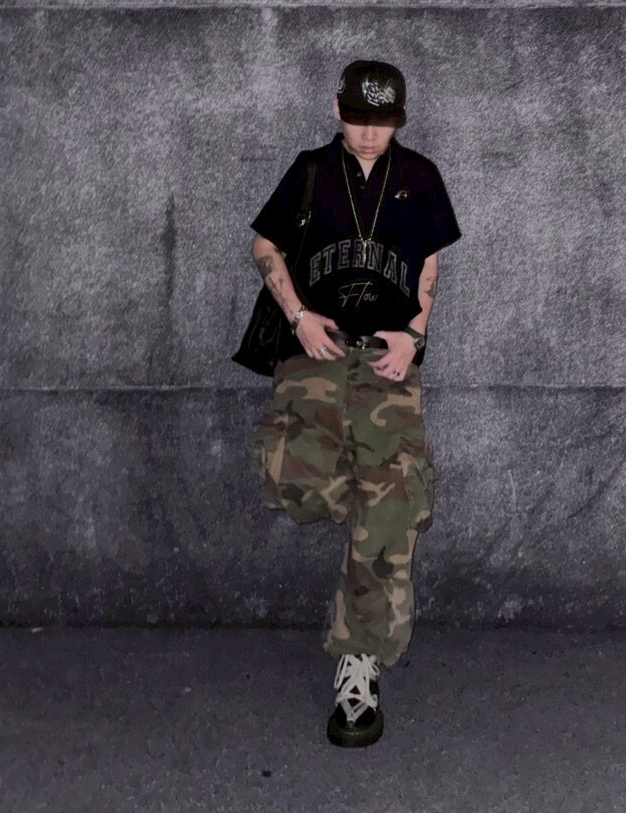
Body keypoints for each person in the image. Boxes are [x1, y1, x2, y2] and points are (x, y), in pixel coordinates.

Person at [246, 58, 462, 748]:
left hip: (386, 359)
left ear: (400, 120)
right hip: (318, 352)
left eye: (383, 121)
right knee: (297, 484)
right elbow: (265, 244)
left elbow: (430, 260)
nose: (370, 133)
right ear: (338, 111)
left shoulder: (419, 176)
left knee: (391, 507)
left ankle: (358, 661)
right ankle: (357, 497)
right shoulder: (311, 170)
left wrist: (415, 334)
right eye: (359, 118)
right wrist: (299, 315)